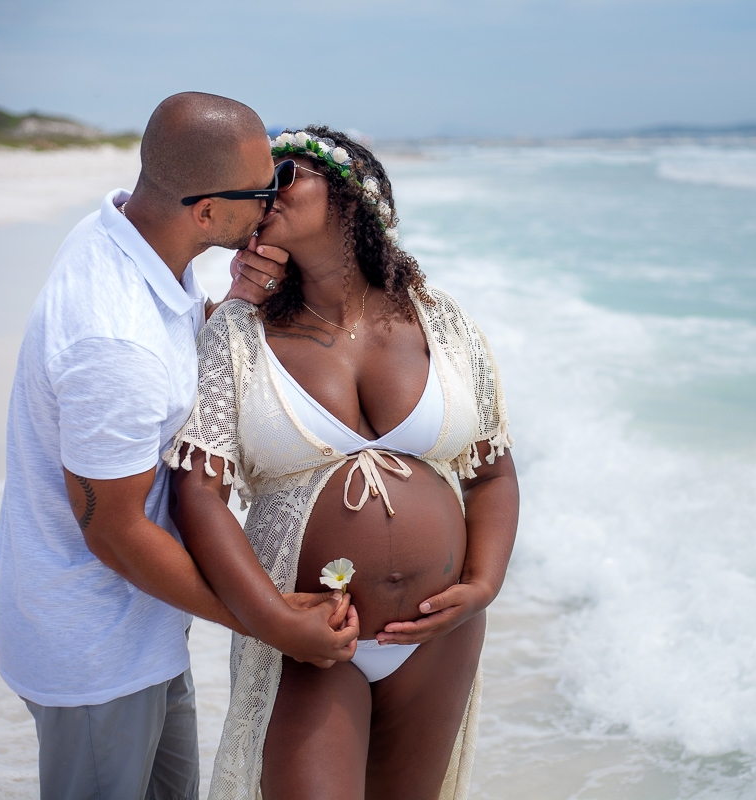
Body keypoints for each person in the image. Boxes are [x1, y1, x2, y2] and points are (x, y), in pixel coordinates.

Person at [0, 95, 359, 800]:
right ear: (207, 212)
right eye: (260, 193)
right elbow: (116, 532)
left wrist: (231, 309)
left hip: (141, 623)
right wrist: (268, 621)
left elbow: (163, 374)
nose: (269, 206)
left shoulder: (134, 237)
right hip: (95, 649)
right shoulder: (114, 338)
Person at [169, 126, 519, 799]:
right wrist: (271, 618)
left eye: (287, 173)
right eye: (257, 180)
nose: (265, 190)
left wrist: (482, 586)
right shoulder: (241, 334)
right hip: (305, 638)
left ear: (351, 196)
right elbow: (199, 496)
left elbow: (494, 472)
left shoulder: (442, 324)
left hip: (437, 639)